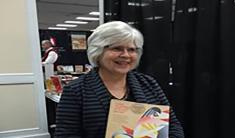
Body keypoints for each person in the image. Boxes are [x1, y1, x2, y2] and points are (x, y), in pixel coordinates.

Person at [54, 21, 184, 138]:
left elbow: (173, 126)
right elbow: (65, 135)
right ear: (97, 51)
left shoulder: (148, 83)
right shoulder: (76, 90)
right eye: (117, 48)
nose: (126, 55)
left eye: (131, 49)